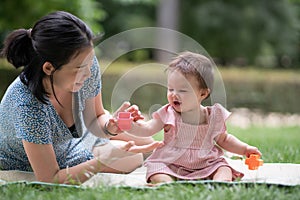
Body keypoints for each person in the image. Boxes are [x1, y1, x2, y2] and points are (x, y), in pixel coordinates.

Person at [0, 11, 160, 184]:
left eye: (90, 62)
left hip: (72, 142)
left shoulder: (85, 64)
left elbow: (97, 117)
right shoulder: (27, 105)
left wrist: (111, 126)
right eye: (80, 68)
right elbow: (49, 179)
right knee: (131, 156)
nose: (89, 73)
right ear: (49, 68)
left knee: (144, 141)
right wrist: (102, 161)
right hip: (36, 160)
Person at [111, 51, 262, 184]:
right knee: (157, 170)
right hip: (171, 162)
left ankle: (221, 182)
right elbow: (147, 129)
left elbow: (224, 139)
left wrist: (245, 149)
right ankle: (166, 183)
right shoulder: (167, 113)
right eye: (170, 89)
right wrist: (128, 125)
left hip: (205, 162)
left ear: (203, 94)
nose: (173, 94)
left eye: (182, 90)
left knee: (223, 167)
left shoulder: (213, 116)